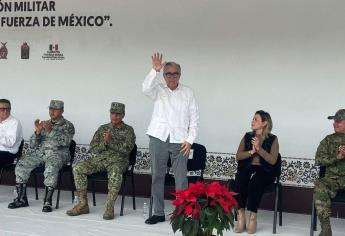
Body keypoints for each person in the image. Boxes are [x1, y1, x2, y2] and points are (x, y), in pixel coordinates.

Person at [142, 52, 199, 224]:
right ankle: (158, 212)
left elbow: (194, 118)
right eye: (168, 74)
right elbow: (145, 88)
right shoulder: (157, 90)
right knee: (157, 176)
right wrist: (154, 70)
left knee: (181, 179)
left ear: (180, 75)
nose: (172, 77)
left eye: (175, 73)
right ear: (164, 75)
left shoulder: (188, 92)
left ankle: (181, 213)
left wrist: (190, 140)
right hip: (158, 137)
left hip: (180, 141)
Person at [66, 102, 135, 220]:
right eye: (112, 113)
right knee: (78, 168)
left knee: (115, 171)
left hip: (118, 161)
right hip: (101, 160)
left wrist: (110, 142)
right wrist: (104, 143)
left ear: (123, 115)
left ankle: (109, 207)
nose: (114, 116)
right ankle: (83, 204)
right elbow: (93, 147)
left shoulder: (128, 130)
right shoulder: (103, 128)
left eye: (118, 114)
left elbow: (127, 149)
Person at [8, 100, 75, 212]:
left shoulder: (68, 125)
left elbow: (66, 142)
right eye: (50, 109)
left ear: (62, 110)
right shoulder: (44, 123)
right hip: (41, 153)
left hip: (58, 154)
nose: (52, 111)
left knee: (51, 166)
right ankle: (21, 199)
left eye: (56, 109)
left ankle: (47, 201)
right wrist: (38, 132)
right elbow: (33, 145)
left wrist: (50, 130)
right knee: (22, 163)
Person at [233, 110, 280, 234]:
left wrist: (259, 149)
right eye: (252, 119)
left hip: (266, 170)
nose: (252, 121)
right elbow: (238, 156)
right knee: (239, 181)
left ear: (264, 123)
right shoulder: (247, 136)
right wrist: (251, 152)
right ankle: (241, 215)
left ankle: (253, 216)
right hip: (248, 167)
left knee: (255, 183)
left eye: (256, 119)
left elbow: (273, 160)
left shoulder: (273, 139)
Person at [314, 109, 345, 236]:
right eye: (334, 121)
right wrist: (337, 157)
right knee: (319, 184)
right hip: (332, 180)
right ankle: (326, 229)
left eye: (339, 121)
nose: (335, 123)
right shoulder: (327, 140)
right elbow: (318, 160)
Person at [0, 99, 23, 167]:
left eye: (8, 109)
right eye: (2, 109)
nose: (6, 111)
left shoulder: (15, 122)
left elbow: (10, 143)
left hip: (8, 153)